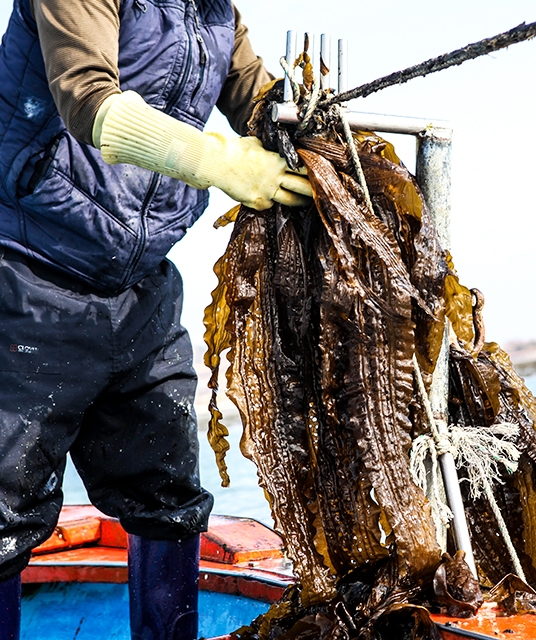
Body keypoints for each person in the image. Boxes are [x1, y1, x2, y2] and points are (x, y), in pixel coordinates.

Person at [0, 0, 311, 638]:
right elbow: (89, 100)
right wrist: (221, 164)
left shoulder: (216, 11)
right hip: (27, 271)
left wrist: (312, 131)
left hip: (141, 288)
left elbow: (256, 98)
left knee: (168, 502)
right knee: (2, 514)